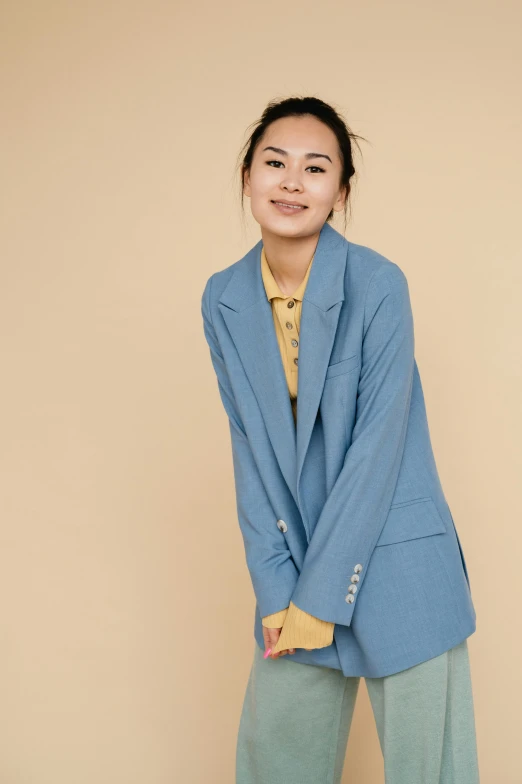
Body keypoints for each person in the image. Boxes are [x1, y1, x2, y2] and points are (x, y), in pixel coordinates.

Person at [201, 96, 480, 784]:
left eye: (315, 168)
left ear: (340, 193)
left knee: (430, 772)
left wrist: (318, 601)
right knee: (276, 762)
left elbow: (377, 450)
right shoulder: (223, 297)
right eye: (275, 163)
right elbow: (250, 450)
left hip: (398, 560)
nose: (292, 182)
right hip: (293, 563)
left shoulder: (378, 284)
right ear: (246, 177)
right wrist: (274, 587)